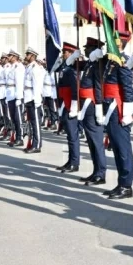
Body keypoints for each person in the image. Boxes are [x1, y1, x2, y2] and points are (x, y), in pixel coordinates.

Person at [99, 30, 133, 199]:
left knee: (123, 148)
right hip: (110, 106)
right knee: (116, 147)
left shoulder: (123, 61)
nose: (108, 44)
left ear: (120, 43)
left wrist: (127, 112)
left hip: (118, 108)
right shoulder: (111, 61)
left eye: (111, 41)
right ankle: (122, 183)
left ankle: (126, 185)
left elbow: (128, 88)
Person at [75, 37, 108, 186]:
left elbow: (98, 86)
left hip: (93, 104)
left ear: (95, 49)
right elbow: (71, 66)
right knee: (90, 141)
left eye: (87, 48)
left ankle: (101, 173)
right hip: (86, 104)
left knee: (96, 141)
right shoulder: (90, 63)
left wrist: (99, 107)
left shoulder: (98, 64)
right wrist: (72, 58)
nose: (85, 50)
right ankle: (96, 171)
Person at [56, 43, 81, 173]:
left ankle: (75, 162)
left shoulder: (72, 69)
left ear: (71, 53)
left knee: (72, 135)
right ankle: (70, 160)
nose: (63, 54)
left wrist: (74, 106)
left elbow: (75, 88)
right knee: (69, 135)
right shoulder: (65, 67)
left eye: (65, 52)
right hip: (64, 103)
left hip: (70, 104)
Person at [23, 48, 45, 153]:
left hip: (33, 99)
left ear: (32, 56)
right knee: (31, 123)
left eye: (27, 54)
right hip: (28, 99)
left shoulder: (35, 68)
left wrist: (37, 101)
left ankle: (37, 145)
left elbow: (37, 85)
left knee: (36, 124)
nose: (26, 56)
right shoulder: (28, 68)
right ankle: (33, 143)